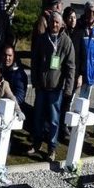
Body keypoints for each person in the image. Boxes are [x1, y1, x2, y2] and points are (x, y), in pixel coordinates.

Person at [29, 12, 75, 161]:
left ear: (61, 24)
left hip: (56, 89)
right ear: (48, 23)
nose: (54, 24)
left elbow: (70, 67)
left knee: (54, 120)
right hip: (41, 87)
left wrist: (68, 88)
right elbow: (35, 61)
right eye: (52, 22)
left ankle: (52, 148)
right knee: (38, 116)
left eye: (57, 22)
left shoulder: (66, 42)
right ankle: (36, 143)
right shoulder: (42, 39)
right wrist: (35, 81)